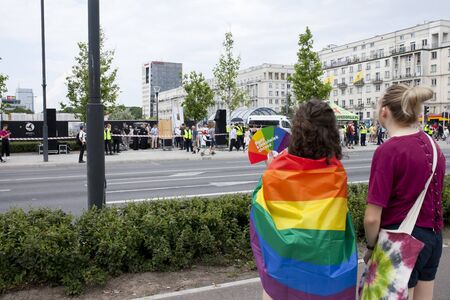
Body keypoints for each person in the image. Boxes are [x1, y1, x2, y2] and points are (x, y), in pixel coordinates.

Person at [251, 100, 357, 300]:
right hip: (323, 263)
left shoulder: (275, 172)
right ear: (331, 133)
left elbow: (259, 208)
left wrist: (270, 168)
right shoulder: (336, 173)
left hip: (286, 265)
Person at [363, 85, 444, 300]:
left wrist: (370, 247)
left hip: (401, 240)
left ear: (384, 111)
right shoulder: (434, 146)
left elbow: (372, 217)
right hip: (434, 238)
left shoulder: (388, 150)